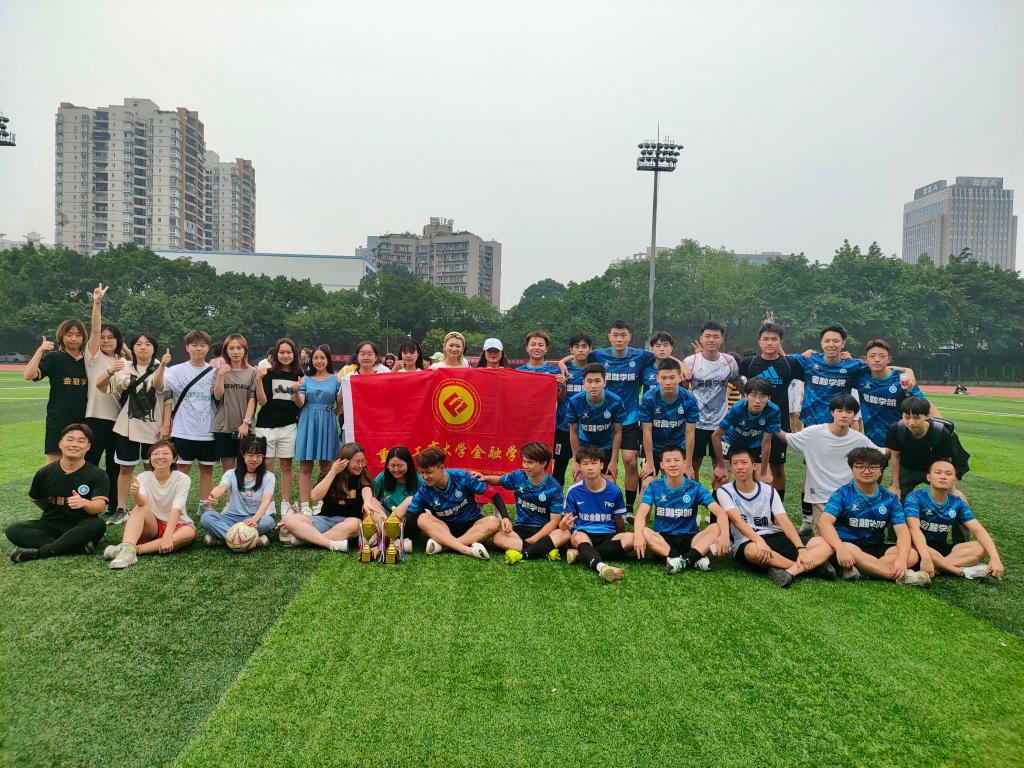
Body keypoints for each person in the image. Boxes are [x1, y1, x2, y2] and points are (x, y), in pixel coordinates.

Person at [809, 447, 931, 586]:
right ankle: (899, 577)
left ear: (881, 470)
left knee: (912, 554)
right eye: (860, 466)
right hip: (845, 546)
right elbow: (825, 522)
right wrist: (840, 548)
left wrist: (902, 560)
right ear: (852, 469)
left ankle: (862, 570)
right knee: (819, 543)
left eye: (872, 467)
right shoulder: (842, 493)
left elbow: (902, 531)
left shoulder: (890, 498)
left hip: (874, 547)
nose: (866, 471)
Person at [715, 447, 835, 587]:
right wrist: (759, 541)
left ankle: (790, 571)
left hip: (773, 534)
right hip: (746, 541)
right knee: (753, 551)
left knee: (825, 544)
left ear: (754, 466)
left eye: (744, 462)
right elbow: (737, 521)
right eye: (735, 463)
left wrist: (801, 548)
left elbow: (784, 520)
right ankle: (813, 568)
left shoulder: (768, 490)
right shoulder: (725, 491)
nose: (739, 467)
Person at [94, 332, 170, 523]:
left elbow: (167, 398)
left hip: (154, 428)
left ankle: (152, 506)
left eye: (148, 344)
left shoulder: (162, 368)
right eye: (139, 344)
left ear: (154, 349)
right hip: (127, 427)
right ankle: (121, 508)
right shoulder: (124, 367)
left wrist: (166, 424)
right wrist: (111, 371)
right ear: (132, 348)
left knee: (152, 467)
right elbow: (101, 386)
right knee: (125, 468)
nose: (143, 347)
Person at [7, 423, 109, 563]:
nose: (74, 444)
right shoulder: (45, 473)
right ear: (60, 444)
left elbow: (100, 507)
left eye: (81, 441)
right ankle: (75, 546)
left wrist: (84, 503)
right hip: (50, 524)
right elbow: (35, 498)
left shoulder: (98, 474)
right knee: (14, 529)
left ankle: (42, 551)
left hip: (80, 525)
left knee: (98, 524)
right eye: (70, 439)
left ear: (88, 446)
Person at [775, 394, 876, 535]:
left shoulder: (859, 439)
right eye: (839, 411)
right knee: (826, 537)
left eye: (849, 412)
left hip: (847, 498)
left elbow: (881, 453)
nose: (844, 415)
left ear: (854, 415)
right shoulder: (813, 432)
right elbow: (787, 437)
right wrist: (769, 421)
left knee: (847, 536)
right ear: (832, 412)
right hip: (820, 496)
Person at [394, 447, 507, 559]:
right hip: (444, 529)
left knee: (493, 522)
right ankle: (466, 549)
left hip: (472, 525)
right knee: (422, 519)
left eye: (428, 472)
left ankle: (444, 546)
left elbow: (494, 494)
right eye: (422, 472)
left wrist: (505, 517)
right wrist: (394, 537)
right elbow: (410, 517)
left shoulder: (462, 477)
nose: (425, 477)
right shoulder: (424, 491)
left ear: (441, 468)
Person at [634, 445, 729, 575]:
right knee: (644, 531)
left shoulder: (695, 487)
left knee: (716, 527)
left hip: (690, 538)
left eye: (676, 460)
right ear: (662, 465)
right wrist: (638, 535)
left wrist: (725, 535)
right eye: (668, 461)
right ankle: (692, 558)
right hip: (663, 539)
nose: (673, 464)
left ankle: (683, 561)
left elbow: (720, 512)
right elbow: (641, 513)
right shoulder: (654, 486)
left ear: (684, 463)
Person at [904, 459, 1004, 580]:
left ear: (955, 480)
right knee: (910, 551)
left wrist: (995, 558)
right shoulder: (915, 497)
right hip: (917, 546)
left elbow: (978, 530)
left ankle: (936, 568)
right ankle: (961, 571)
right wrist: (925, 556)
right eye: (938, 472)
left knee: (981, 547)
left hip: (941, 549)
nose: (943, 476)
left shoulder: (957, 502)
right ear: (928, 477)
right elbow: (913, 529)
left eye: (948, 473)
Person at [104, 439, 196, 569]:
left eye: (165, 453)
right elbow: (142, 503)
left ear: (174, 459)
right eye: (155, 454)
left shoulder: (182, 478)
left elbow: (176, 509)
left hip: (177, 525)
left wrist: (168, 536)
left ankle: (131, 550)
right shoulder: (144, 477)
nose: (160, 457)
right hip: (152, 526)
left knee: (189, 533)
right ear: (150, 459)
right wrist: (136, 493)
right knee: (140, 507)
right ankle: (127, 547)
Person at [474, 441, 569, 565]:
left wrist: (534, 539)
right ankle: (544, 549)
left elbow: (554, 522)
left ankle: (524, 551)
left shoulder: (554, 488)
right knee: (498, 537)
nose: (525, 466)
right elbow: (500, 480)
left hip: (545, 530)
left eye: (530, 462)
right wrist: (485, 478)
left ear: (543, 463)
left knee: (564, 534)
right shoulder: (518, 476)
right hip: (522, 528)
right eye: (524, 461)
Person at [282, 442, 386, 551]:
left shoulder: (363, 474)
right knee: (291, 520)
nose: (360, 465)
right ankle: (329, 543)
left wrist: (367, 502)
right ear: (345, 461)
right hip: (325, 519)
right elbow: (315, 497)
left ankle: (308, 540)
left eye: (362, 461)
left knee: (356, 524)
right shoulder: (331, 472)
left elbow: (366, 489)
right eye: (357, 462)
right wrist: (333, 472)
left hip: (348, 523)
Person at [738, 322, 800, 500]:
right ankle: (751, 505)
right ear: (759, 342)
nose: (770, 343)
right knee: (749, 466)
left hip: (778, 423)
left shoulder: (790, 364)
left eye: (774, 339)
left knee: (777, 468)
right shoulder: (749, 363)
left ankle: (776, 507)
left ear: (780, 342)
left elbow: (810, 372)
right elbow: (733, 376)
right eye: (765, 339)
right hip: (752, 424)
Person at [559, 445, 633, 582]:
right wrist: (563, 525)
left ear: (601, 465)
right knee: (578, 537)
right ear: (579, 467)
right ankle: (602, 567)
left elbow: (618, 520)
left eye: (594, 463)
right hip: (583, 533)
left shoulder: (614, 491)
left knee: (630, 538)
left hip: (607, 534)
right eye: (585, 464)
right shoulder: (573, 491)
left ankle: (581, 555)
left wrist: (622, 536)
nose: (590, 467)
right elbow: (565, 524)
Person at [161, 329, 216, 504]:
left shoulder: (215, 371)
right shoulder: (175, 370)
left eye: (203, 345)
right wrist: (161, 365)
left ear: (208, 348)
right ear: (187, 347)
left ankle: (204, 504)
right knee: (181, 470)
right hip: (183, 430)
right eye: (194, 345)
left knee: (207, 469)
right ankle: (177, 505)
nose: (198, 349)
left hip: (208, 431)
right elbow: (162, 390)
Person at [82, 284, 124, 514]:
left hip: (119, 421)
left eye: (111, 337)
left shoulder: (124, 362)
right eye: (104, 337)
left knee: (115, 465)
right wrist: (97, 303)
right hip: (96, 418)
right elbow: (95, 331)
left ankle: (114, 505)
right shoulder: (94, 357)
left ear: (118, 340)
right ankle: (86, 503)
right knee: (91, 463)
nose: (106, 340)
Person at [24, 320, 89, 463]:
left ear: (84, 338)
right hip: (59, 419)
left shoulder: (89, 361)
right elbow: (29, 375)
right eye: (69, 334)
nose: (73, 338)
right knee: (53, 464)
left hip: (85, 420)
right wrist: (40, 351)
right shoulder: (54, 358)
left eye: (78, 335)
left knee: (81, 463)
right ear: (61, 336)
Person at [684, 322, 740, 484]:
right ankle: (695, 497)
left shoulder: (729, 361)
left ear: (722, 339)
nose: (711, 340)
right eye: (708, 336)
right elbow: (683, 390)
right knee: (694, 464)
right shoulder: (690, 361)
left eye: (716, 336)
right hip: (696, 422)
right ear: (701, 338)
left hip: (721, 424)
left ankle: (717, 500)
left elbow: (738, 383)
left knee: (722, 466)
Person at [255, 337, 302, 520]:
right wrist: (258, 380)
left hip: (288, 426)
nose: (285, 355)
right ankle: (269, 502)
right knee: (267, 465)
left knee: (286, 465)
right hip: (265, 426)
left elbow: (299, 404)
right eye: (281, 352)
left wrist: (297, 390)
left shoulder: (299, 374)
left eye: (289, 352)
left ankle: (285, 502)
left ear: (294, 354)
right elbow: (262, 401)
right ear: (276, 354)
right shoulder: (268, 373)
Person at [200, 434, 276, 548]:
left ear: (263, 456)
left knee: (269, 521)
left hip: (254, 519)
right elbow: (221, 487)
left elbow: (266, 500)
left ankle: (224, 538)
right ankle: (250, 539)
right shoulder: (231, 474)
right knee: (206, 517)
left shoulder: (269, 476)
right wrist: (213, 495)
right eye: (251, 455)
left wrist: (255, 519)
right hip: (231, 518)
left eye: (259, 455)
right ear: (243, 454)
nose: (255, 459)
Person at [885, 396, 967, 501]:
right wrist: (895, 486)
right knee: (892, 500)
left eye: (916, 418)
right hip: (908, 468)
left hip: (935, 469)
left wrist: (953, 489)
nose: (911, 422)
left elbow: (946, 461)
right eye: (907, 417)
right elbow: (895, 456)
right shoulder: (896, 429)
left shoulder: (941, 432)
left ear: (927, 416)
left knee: (954, 500)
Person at [857, 338, 935, 446]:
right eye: (872, 356)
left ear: (889, 359)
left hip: (899, 441)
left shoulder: (902, 380)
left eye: (882, 356)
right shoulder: (860, 377)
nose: (877, 359)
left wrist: (943, 426)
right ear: (866, 359)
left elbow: (923, 403)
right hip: (872, 442)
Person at [638, 358, 699, 487]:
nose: (668, 382)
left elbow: (690, 433)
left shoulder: (689, 399)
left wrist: (688, 464)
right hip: (653, 448)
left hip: (677, 447)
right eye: (664, 378)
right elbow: (647, 431)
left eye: (672, 377)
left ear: (680, 377)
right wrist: (650, 462)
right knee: (646, 485)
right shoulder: (649, 398)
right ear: (657, 378)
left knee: (677, 485)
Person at [294, 345, 340, 514]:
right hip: (308, 421)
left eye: (322, 358)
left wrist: (333, 412)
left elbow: (340, 404)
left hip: (327, 422)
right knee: (305, 465)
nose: (319, 361)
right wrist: (296, 392)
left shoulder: (336, 380)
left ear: (328, 360)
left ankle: (322, 502)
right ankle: (305, 504)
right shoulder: (305, 379)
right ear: (311, 360)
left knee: (326, 466)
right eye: (316, 358)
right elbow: (300, 403)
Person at [711, 378, 782, 487]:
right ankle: (716, 496)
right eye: (753, 395)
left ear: (769, 398)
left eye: (762, 396)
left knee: (763, 483)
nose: (757, 400)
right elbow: (715, 436)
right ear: (746, 395)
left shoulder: (773, 411)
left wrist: (764, 473)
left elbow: (766, 442)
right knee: (721, 478)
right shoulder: (737, 408)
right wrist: (720, 466)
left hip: (755, 444)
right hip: (731, 441)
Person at [565, 363, 625, 479]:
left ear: (604, 382)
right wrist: (576, 461)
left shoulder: (616, 401)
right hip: (584, 446)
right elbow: (573, 431)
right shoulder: (575, 401)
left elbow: (618, 432)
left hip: (606, 447)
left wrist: (614, 461)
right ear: (583, 383)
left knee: (610, 482)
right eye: (589, 381)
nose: (593, 385)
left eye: (597, 381)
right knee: (579, 479)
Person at [516, 331, 568, 454]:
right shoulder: (518, 372)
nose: (537, 348)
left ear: (546, 349)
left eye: (541, 345)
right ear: (527, 348)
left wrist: (563, 386)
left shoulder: (555, 371)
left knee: (546, 457)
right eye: (533, 344)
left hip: (547, 425)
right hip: (525, 425)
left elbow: (559, 399)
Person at [211, 333, 258, 471]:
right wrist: (221, 374)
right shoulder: (219, 371)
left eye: (239, 348)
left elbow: (252, 398)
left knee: (245, 469)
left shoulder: (252, 372)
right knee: (228, 472)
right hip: (223, 427)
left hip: (245, 428)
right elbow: (217, 396)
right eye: (231, 348)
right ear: (226, 350)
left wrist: (246, 423)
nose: (235, 352)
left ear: (245, 350)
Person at [552, 332, 592, 485]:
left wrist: (562, 360)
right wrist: (563, 386)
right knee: (559, 467)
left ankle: (585, 497)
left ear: (590, 349)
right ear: (571, 349)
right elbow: (559, 399)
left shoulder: (594, 370)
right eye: (577, 346)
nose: (580, 350)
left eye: (584, 346)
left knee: (587, 466)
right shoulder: (564, 370)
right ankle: (556, 498)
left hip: (587, 426)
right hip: (564, 425)